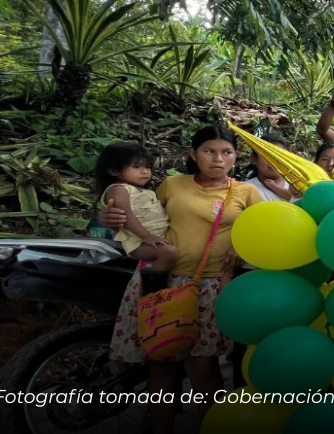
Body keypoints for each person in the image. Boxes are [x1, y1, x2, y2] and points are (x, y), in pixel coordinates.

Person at [103, 126, 264, 434]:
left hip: (211, 288)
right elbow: (140, 219)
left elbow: (261, 234)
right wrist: (110, 218)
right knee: (161, 365)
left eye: (226, 152)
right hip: (163, 282)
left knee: (203, 369)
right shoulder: (171, 185)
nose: (218, 159)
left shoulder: (247, 193)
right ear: (193, 154)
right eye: (209, 151)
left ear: (236, 156)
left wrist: (238, 247)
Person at [95, 143, 179, 271]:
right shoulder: (118, 189)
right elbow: (126, 216)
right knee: (169, 252)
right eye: (137, 166)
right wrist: (147, 237)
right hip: (138, 242)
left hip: (155, 239)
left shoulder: (147, 192)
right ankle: (150, 284)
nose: (145, 171)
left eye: (148, 166)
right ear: (114, 170)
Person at [246, 134, 297, 202]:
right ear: (254, 159)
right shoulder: (245, 189)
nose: (274, 161)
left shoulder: (298, 186)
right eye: (268, 155)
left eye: (280, 156)